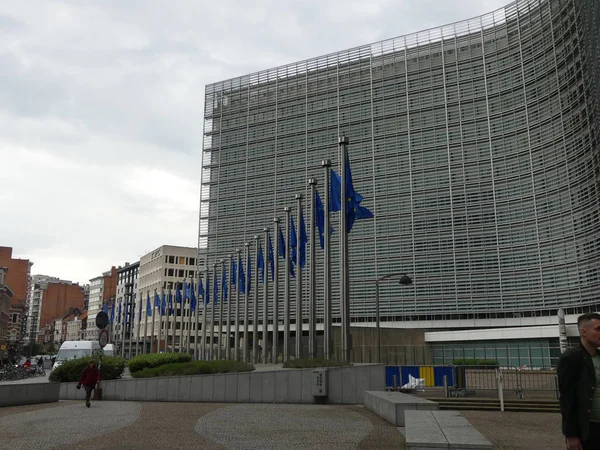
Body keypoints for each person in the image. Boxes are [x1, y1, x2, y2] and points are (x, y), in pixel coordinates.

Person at [558, 312, 600, 449]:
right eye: (598, 329)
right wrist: (571, 434)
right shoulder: (571, 358)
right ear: (583, 332)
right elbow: (567, 399)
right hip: (589, 429)